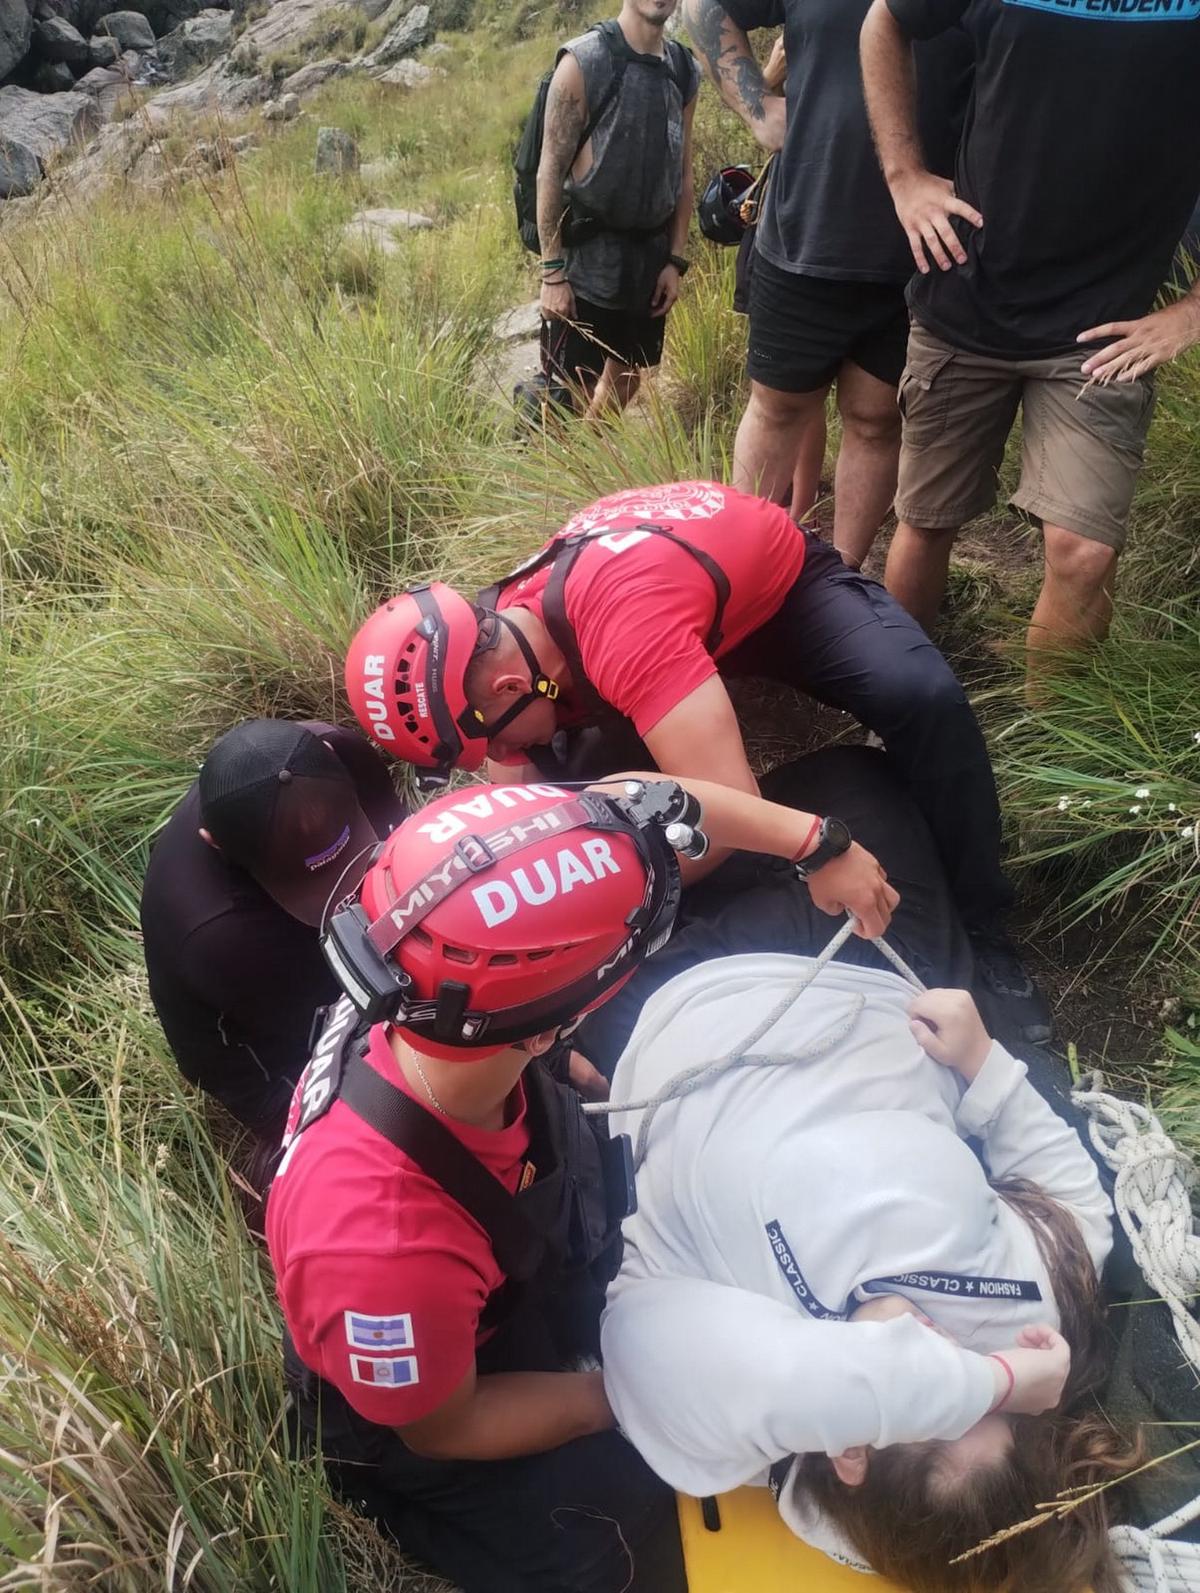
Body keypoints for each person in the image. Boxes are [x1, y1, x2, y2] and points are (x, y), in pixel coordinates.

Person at [265, 769, 896, 1592]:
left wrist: (818, 844)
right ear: (542, 1023)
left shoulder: (426, 930)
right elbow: (444, 1426)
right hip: (421, 1397)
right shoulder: (385, 1247)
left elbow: (643, 799)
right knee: (619, 1528)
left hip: (487, 1218)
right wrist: (627, 1395)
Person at [584, 745, 1132, 1592]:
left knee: (595, 837)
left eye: (931, 1408)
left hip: (670, 1019)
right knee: (857, 781)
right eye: (987, 1400)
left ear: (850, 1452)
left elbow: (632, 1343)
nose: (948, 1357)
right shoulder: (1041, 1312)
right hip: (867, 978)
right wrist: (986, 1064)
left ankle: (710, 867)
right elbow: (1071, 1197)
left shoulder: (736, 1420)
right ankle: (740, 857)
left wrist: (921, 1378)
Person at [345, 479, 1053, 1042]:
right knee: (570, 778)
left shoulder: (622, 632)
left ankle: (985, 918)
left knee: (920, 696)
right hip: (666, 616)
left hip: (779, 594)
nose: (499, 758)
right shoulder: (503, 634)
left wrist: (609, 888)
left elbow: (720, 809)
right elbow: (519, 783)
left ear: (505, 685)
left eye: (491, 741)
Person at [859, 0, 1200, 679]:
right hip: (967, 296)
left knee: (1085, 552)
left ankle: (1043, 762)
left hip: (1101, 331)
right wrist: (904, 178)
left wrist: (1194, 310)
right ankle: (901, 720)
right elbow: (884, 21)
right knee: (925, 522)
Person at [682, 0, 972, 567]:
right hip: (804, 232)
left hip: (920, 244)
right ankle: (740, 581)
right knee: (777, 410)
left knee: (876, 419)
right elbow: (704, 6)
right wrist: (760, 108)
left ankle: (842, 580)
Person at [140, 718, 405, 1151]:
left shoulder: (340, 751)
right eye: (313, 882)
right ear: (215, 845)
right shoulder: (216, 933)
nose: (343, 894)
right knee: (377, 1135)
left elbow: (403, 850)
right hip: (270, 1053)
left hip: (276, 960)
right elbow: (350, 1014)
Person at [537, 0, 700, 418]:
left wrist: (675, 260)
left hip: (649, 259)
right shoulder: (583, 61)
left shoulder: (683, 69)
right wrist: (553, 273)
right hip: (588, 260)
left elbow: (683, 175)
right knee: (570, 389)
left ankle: (591, 470)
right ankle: (558, 474)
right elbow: (550, 173)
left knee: (628, 376)